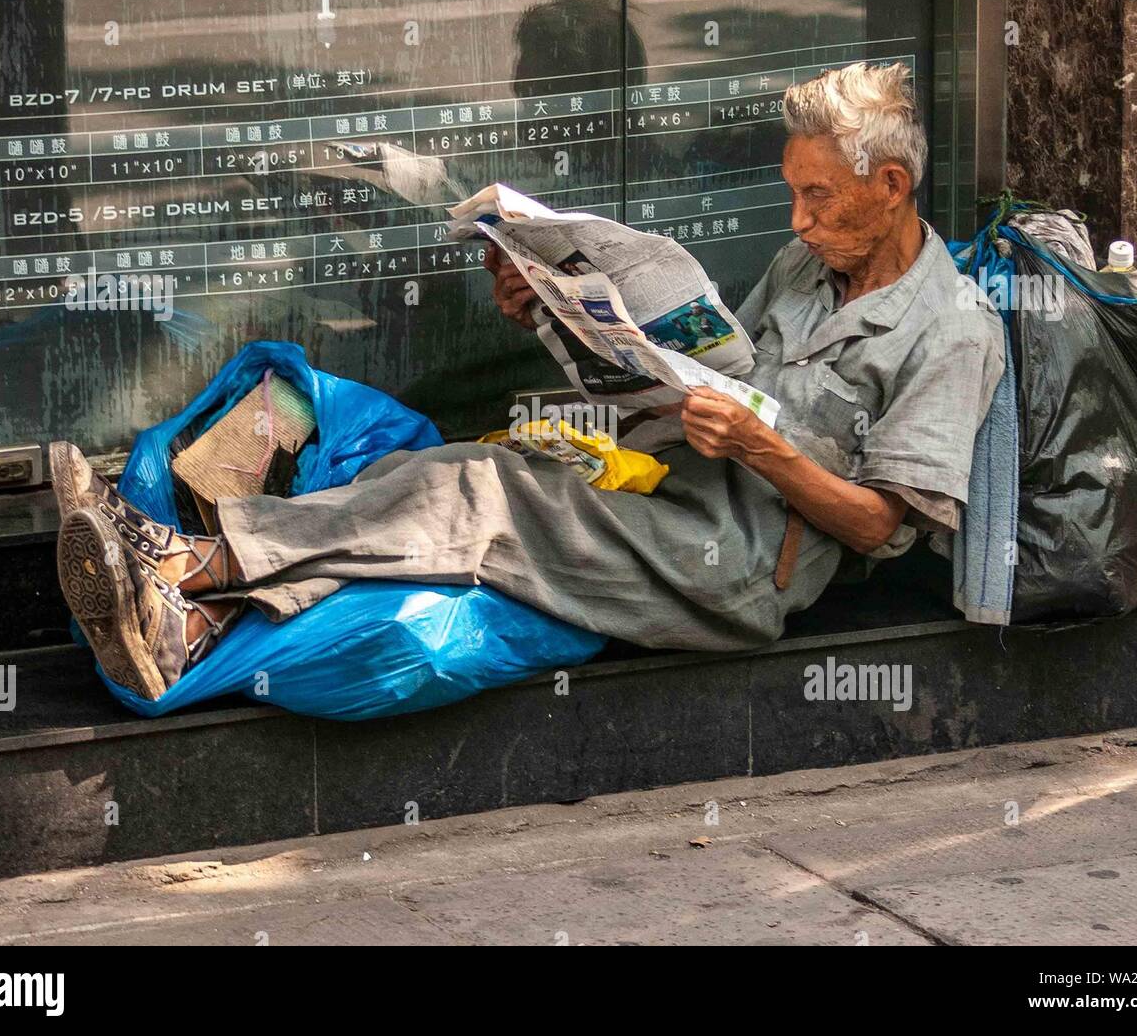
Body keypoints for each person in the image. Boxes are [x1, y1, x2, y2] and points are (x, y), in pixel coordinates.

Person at [54, 62, 1004, 701]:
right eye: (791, 194)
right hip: (664, 476)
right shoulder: (810, 267)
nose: (797, 223)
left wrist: (760, 445)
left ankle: (189, 563)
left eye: (818, 198)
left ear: (889, 187)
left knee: (474, 493)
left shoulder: (954, 329)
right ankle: (192, 624)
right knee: (425, 474)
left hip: (735, 560)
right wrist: (557, 315)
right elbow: (702, 373)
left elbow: (881, 525)